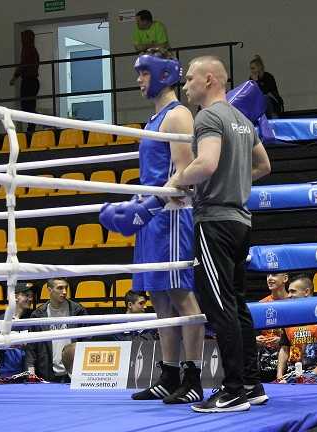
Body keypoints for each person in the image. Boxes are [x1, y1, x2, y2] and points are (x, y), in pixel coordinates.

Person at [101, 48, 205, 405]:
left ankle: (193, 377)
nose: (139, 79)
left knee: (180, 295)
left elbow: (185, 172)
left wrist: (150, 205)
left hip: (171, 216)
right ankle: (169, 374)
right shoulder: (154, 119)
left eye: (144, 72)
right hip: (153, 215)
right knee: (159, 298)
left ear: (164, 74)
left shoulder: (177, 115)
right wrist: (138, 203)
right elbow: (156, 174)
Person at [169, 56, 272, 413]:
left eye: (190, 79)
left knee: (219, 305)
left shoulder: (208, 117)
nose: (185, 85)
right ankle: (251, 383)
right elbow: (264, 165)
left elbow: (207, 163)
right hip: (240, 222)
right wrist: (236, 180)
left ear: (209, 79)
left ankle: (232, 390)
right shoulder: (242, 120)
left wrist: (177, 180)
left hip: (215, 221)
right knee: (236, 303)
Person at [275, 275, 317, 384]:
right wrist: (279, 376)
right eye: (289, 291)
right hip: (292, 375)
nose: (289, 295)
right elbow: (284, 349)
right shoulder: (287, 317)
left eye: (293, 291)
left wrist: (313, 374)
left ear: (306, 292)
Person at [25, 278, 87, 383]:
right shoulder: (38, 314)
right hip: (47, 374)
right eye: (60, 288)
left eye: (66, 288)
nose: (64, 292)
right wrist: (30, 370)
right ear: (50, 290)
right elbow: (31, 347)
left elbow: (87, 340)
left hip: (75, 373)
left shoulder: (78, 311)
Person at [0, 281, 35, 378]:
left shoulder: (32, 320)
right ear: (15, 297)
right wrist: (6, 344)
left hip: (30, 374)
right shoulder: (1, 321)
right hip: (8, 375)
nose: (30, 299)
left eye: (31, 296)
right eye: (26, 295)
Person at [256, 273, 288, 382]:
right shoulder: (261, 304)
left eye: (274, 275)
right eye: (267, 275)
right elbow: (251, 331)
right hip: (265, 356)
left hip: (289, 354)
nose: (269, 278)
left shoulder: (294, 302)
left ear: (285, 278)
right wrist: (255, 339)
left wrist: (283, 341)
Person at [9, 30, 40, 133]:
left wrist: (14, 77)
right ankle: (31, 126)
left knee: (27, 106)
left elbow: (23, 65)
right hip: (32, 81)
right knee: (29, 105)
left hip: (29, 81)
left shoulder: (28, 50)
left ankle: (32, 126)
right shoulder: (32, 49)